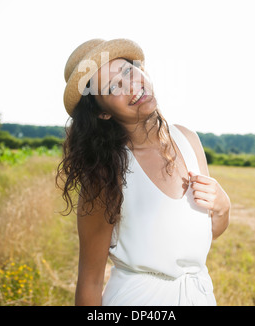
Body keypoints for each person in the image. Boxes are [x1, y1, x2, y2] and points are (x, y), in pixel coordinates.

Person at [56, 38, 231, 306]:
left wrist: (223, 207)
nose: (131, 85)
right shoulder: (105, 174)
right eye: (114, 86)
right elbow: (90, 281)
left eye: (127, 71)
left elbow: (201, 237)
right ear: (102, 113)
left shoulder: (188, 139)